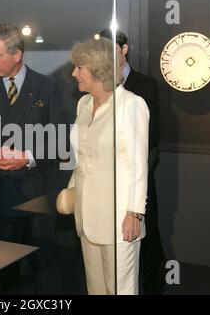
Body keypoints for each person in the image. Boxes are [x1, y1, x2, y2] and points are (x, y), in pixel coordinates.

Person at [0, 24, 66, 293]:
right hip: (0, 197)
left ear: (17, 54)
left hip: (38, 195)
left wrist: (28, 157)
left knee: (44, 267)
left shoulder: (48, 88)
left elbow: (62, 141)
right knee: (3, 271)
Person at [69, 37, 149, 294]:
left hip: (119, 221)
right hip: (86, 217)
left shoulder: (130, 105)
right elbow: (82, 157)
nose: (74, 73)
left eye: (79, 67)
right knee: (96, 289)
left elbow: (139, 164)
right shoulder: (83, 105)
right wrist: (71, 191)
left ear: (98, 69)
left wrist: (135, 213)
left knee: (121, 290)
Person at [100, 29, 166, 294]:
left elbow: (151, 137)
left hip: (139, 172)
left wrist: (138, 173)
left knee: (146, 236)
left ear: (124, 49)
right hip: (107, 178)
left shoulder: (145, 84)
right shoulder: (100, 86)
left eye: (112, 48)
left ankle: (153, 286)